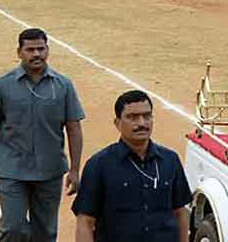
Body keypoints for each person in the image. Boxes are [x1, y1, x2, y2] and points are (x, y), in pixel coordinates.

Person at [0, 28, 84, 242]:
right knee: (14, 228)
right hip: (12, 171)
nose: (36, 54)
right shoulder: (2, 86)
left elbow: (73, 128)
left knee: (45, 232)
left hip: (50, 171)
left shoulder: (63, 85)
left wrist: (74, 169)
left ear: (48, 50)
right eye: (30, 49)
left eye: (41, 49)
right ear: (19, 52)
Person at [73, 90, 191, 242]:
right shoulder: (98, 166)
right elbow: (85, 222)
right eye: (132, 117)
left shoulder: (170, 160)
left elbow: (181, 213)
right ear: (117, 123)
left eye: (147, 116)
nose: (141, 123)